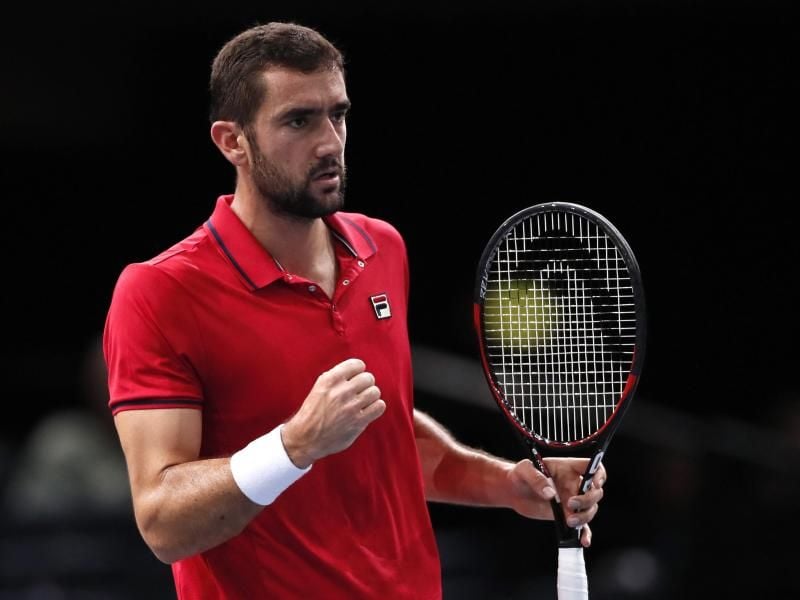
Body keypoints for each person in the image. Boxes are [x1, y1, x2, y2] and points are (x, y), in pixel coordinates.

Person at [103, 21, 607, 599]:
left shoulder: (382, 248)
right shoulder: (160, 291)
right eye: (298, 120)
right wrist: (293, 447)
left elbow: (383, 437)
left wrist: (509, 485)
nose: (330, 143)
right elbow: (163, 522)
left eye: (337, 115)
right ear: (231, 141)